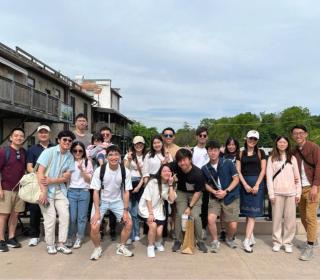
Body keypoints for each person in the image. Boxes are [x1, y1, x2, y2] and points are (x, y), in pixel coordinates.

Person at [89, 145, 133, 260]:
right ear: (106, 157)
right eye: (111, 155)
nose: (114, 157)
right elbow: (95, 192)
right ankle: (97, 248)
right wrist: (97, 211)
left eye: (116, 154)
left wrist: (125, 211)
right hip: (102, 201)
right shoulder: (100, 170)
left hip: (117, 201)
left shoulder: (125, 171)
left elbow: (126, 192)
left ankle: (122, 247)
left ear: (120, 156)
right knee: (94, 226)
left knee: (129, 223)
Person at [37, 130, 76, 255]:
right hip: (45, 190)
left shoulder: (70, 156)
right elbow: (40, 173)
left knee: (65, 216)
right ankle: (50, 244)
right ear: (59, 140)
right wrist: (43, 192)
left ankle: (61, 243)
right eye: (64, 139)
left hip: (60, 191)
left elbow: (66, 178)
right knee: (50, 218)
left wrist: (52, 180)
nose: (67, 142)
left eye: (70, 141)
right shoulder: (48, 152)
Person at [202, 140, 240, 253]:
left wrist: (226, 191)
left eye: (215, 150)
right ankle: (215, 241)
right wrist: (213, 192)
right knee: (210, 219)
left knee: (233, 225)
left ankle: (229, 238)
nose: (213, 153)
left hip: (230, 196)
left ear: (219, 151)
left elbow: (236, 179)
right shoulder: (205, 168)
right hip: (215, 197)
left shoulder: (227, 163)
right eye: (210, 150)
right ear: (207, 152)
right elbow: (204, 184)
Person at [266, 136, 301, 253]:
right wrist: (271, 194)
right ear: (276, 144)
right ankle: (276, 242)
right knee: (276, 220)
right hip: (277, 193)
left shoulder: (293, 158)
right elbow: (269, 178)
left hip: (291, 193)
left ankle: (287, 242)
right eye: (280, 142)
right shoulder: (272, 158)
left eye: (284, 142)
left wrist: (298, 193)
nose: (282, 144)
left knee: (290, 220)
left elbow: (297, 177)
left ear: (287, 144)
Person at [291, 125, 320, 261]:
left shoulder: (314, 147)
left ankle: (310, 247)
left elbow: (319, 166)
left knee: (310, 216)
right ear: (292, 136)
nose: (298, 136)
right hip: (299, 188)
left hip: (312, 187)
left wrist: (315, 186)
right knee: (303, 217)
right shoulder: (294, 151)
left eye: (301, 133)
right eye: (295, 133)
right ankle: (314, 238)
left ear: (306, 134)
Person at [170, 148, 207, 253]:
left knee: (195, 216)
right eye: (180, 160)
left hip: (195, 194)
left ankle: (200, 241)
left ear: (190, 159)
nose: (182, 163)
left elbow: (198, 192)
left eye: (184, 160)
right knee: (179, 214)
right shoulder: (176, 166)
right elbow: (165, 168)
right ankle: (178, 240)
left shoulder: (198, 173)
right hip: (182, 193)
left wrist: (190, 207)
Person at [236, 130, 267, 253]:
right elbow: (238, 170)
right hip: (244, 185)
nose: (252, 141)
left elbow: (263, 170)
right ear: (246, 138)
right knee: (248, 213)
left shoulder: (261, 152)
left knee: (252, 215)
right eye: (250, 138)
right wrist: (245, 185)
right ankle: (251, 236)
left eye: (255, 139)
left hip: (256, 185)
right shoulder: (241, 153)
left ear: (257, 141)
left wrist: (256, 185)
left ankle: (246, 240)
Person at [139, 164, 177, 257]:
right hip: (147, 208)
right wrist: (151, 213)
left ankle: (157, 242)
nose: (167, 172)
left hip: (158, 209)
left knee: (159, 232)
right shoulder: (153, 182)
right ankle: (150, 246)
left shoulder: (170, 184)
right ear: (160, 173)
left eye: (169, 171)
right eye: (164, 171)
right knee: (153, 226)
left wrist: (171, 185)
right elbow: (148, 198)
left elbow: (171, 199)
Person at [26, 125, 55, 247]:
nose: (43, 134)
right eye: (41, 133)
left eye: (46, 132)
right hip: (37, 183)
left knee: (50, 210)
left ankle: (51, 237)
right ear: (38, 135)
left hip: (52, 182)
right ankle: (34, 235)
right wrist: (39, 175)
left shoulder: (55, 148)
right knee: (34, 209)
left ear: (49, 134)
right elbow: (29, 167)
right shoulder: (33, 149)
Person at [0, 128, 26, 252]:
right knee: (3, 215)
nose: (19, 138)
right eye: (16, 135)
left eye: (21, 136)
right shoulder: (4, 151)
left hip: (19, 190)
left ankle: (11, 237)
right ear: (11, 137)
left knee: (15, 215)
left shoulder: (23, 152)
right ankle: (1, 240)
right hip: (6, 189)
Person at [66, 141, 93, 249]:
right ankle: (70, 237)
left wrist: (82, 169)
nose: (77, 153)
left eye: (80, 150)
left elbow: (89, 179)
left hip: (84, 191)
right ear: (72, 151)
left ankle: (79, 237)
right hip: (71, 191)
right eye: (75, 150)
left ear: (83, 152)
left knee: (82, 218)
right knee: (72, 217)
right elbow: (64, 176)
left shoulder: (87, 162)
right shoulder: (68, 161)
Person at [124, 136, 146, 244]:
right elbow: (125, 169)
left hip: (140, 183)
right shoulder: (129, 155)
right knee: (131, 210)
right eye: (137, 143)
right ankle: (132, 234)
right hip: (129, 182)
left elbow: (146, 174)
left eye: (141, 143)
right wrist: (128, 159)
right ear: (133, 144)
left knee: (137, 210)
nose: (139, 145)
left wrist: (139, 186)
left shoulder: (146, 156)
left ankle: (136, 233)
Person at [219, 137, 240, 241]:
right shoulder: (222, 156)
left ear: (236, 145)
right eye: (229, 144)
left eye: (233, 144)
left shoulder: (239, 156)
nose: (231, 147)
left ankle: (231, 232)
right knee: (223, 211)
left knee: (232, 211)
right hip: (223, 186)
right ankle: (223, 230)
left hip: (235, 186)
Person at [191, 127, 209, 240]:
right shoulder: (192, 150)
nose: (202, 137)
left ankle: (203, 229)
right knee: (193, 207)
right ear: (197, 136)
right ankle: (191, 230)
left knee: (205, 207)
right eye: (200, 135)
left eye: (204, 135)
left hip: (207, 183)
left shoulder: (209, 150)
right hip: (194, 183)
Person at [99, 126, 117, 240]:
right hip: (100, 181)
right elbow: (89, 154)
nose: (105, 136)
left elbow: (118, 159)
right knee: (100, 207)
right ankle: (100, 229)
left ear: (111, 135)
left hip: (113, 180)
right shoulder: (95, 146)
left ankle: (113, 229)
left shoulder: (114, 147)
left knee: (113, 207)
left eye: (107, 134)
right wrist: (99, 146)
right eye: (103, 134)